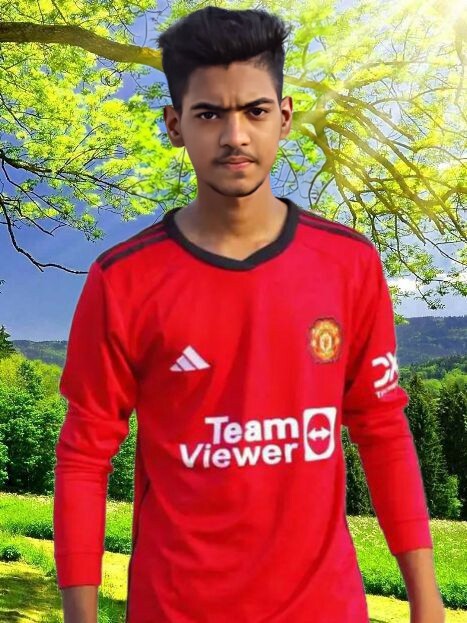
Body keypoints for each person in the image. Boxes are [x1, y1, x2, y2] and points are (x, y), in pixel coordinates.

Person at [53, 6, 445, 623]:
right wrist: (79, 616)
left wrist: (427, 600)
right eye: (210, 114)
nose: (234, 135)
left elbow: (381, 426)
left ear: (283, 117)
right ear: (175, 125)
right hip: (174, 607)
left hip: (326, 608)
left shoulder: (349, 263)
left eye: (255, 111)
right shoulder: (123, 280)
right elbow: (84, 453)